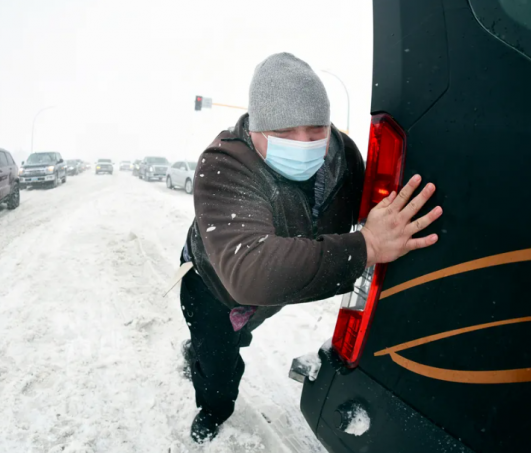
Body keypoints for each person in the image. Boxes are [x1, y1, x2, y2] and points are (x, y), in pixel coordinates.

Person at [179, 52, 442, 443]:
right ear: (256, 129)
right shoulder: (223, 165)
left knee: (241, 333)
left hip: (268, 295)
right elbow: (251, 273)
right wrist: (365, 245)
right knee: (220, 366)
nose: (304, 143)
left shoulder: (342, 156)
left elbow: (381, 210)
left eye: (316, 127)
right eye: (285, 131)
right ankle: (212, 406)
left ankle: (221, 344)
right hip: (211, 286)